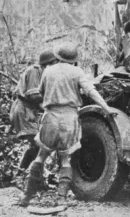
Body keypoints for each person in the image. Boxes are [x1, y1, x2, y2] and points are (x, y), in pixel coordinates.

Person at [19, 42, 116, 207]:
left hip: (50, 116)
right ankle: (61, 198)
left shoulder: (48, 71)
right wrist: (106, 108)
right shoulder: (77, 72)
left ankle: (27, 197)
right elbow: (91, 92)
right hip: (69, 117)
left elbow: (40, 93)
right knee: (66, 159)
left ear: (57, 56)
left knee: (41, 156)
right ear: (73, 59)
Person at [10, 49, 57, 172]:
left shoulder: (43, 73)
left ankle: (21, 172)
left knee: (36, 146)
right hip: (24, 110)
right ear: (48, 64)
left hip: (29, 110)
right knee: (39, 144)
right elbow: (33, 95)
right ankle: (28, 174)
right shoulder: (34, 71)